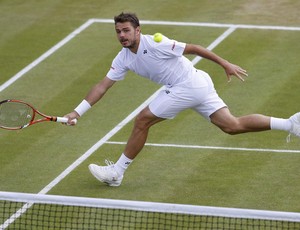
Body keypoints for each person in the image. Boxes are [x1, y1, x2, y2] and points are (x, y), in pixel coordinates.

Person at [65, 12, 300, 187]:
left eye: (126, 30)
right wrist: (77, 112)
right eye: (118, 32)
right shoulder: (123, 58)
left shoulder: (155, 42)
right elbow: (102, 86)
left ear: (138, 30)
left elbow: (195, 48)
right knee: (232, 126)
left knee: (142, 120)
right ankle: (290, 124)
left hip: (188, 84)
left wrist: (225, 64)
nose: (122, 35)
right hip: (197, 83)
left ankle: (117, 172)